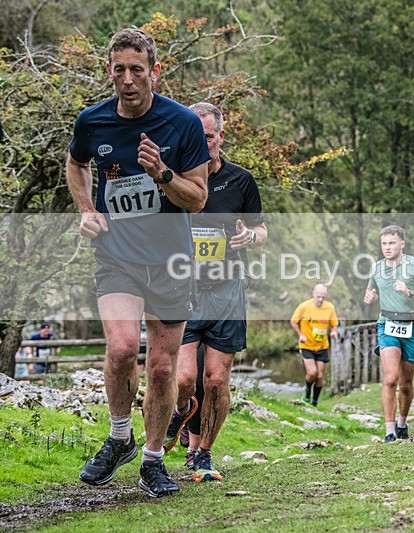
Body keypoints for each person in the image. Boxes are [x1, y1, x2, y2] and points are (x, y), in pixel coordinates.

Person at [67, 28, 210, 498]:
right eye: (119, 70)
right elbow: (76, 163)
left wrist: (162, 173)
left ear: (154, 71)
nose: (128, 79)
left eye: (137, 69)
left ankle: (152, 460)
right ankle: (118, 437)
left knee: (163, 369)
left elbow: (197, 199)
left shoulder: (183, 123)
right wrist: (86, 209)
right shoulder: (92, 121)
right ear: (108, 71)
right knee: (122, 349)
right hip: (117, 256)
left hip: (171, 260)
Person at [164, 102, 266, 483]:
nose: (202, 142)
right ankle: (180, 411)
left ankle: (203, 454)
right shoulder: (173, 179)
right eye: (195, 135)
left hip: (226, 290)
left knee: (217, 380)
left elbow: (261, 230)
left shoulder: (241, 180)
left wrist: (249, 236)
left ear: (221, 137)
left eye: (208, 136)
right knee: (184, 379)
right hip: (184, 289)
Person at [363, 225, 414, 443]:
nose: (387, 247)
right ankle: (389, 431)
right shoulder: (376, 267)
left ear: (402, 244)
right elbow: (372, 290)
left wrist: (409, 292)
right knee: (390, 378)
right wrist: (371, 297)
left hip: (412, 326)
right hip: (386, 324)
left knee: (406, 384)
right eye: (384, 243)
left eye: (392, 243)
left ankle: (402, 423)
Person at [291, 284, 339, 406]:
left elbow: (334, 324)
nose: (321, 300)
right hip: (307, 345)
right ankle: (307, 392)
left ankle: (314, 403)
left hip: (322, 346)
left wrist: (334, 331)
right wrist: (300, 335)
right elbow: (293, 321)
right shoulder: (304, 306)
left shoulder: (329, 307)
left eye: (323, 297)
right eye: (318, 297)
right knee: (312, 373)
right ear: (314, 294)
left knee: (319, 376)